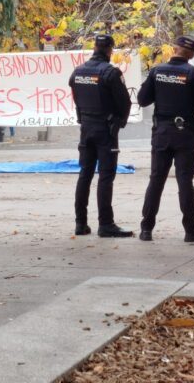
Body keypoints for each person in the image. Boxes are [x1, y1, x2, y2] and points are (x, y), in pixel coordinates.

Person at [137, 36, 194, 242]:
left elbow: (142, 99)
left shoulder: (156, 71)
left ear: (174, 49)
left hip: (162, 132)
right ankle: (190, 231)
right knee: (185, 182)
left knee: (156, 181)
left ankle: (146, 229)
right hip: (185, 134)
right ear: (191, 54)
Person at [68, 34, 133, 238]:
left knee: (85, 174)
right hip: (105, 129)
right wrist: (118, 122)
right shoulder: (110, 73)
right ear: (109, 50)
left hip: (86, 128)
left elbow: (75, 94)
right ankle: (105, 224)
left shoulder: (78, 71)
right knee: (106, 176)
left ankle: (80, 223)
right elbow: (125, 103)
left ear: (94, 47)